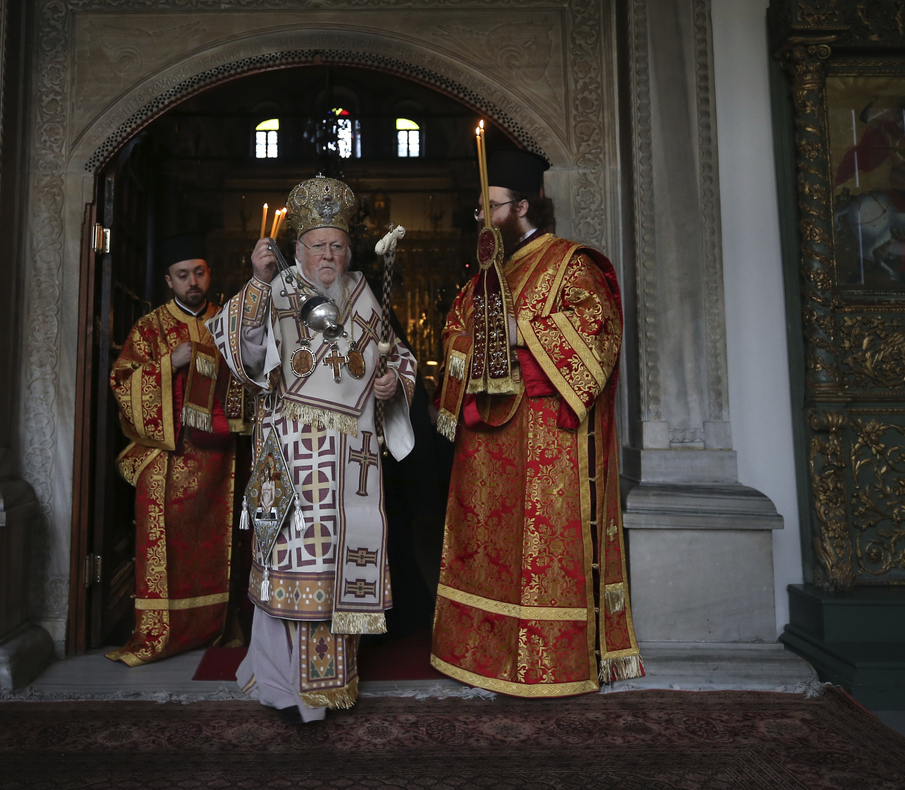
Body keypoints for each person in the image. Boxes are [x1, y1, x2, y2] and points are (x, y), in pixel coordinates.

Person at [430, 148, 644, 697]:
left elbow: (599, 336)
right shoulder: (484, 277)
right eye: (480, 209)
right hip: (487, 440)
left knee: (539, 553)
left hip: (549, 438)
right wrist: (477, 339)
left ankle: (552, 665)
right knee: (486, 549)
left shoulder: (571, 262)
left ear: (523, 206)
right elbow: (455, 333)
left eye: (491, 207)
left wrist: (520, 333)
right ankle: (485, 655)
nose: (482, 218)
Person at [209, 174, 418, 722]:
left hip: (352, 465)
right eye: (319, 246)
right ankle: (284, 686)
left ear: (350, 250)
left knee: (340, 569)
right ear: (298, 249)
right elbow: (245, 353)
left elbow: (398, 357)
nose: (329, 255)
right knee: (292, 570)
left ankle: (333, 686)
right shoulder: (278, 289)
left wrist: (394, 382)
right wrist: (256, 281)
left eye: (338, 247)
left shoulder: (362, 294)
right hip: (294, 459)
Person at [106, 233, 249, 667]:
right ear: (169, 281)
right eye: (183, 275)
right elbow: (123, 384)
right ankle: (160, 635)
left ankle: (219, 629)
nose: (193, 282)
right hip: (166, 458)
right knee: (164, 550)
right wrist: (172, 362)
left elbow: (252, 377)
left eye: (199, 273)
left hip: (221, 461)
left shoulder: (227, 323)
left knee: (222, 548)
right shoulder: (149, 328)